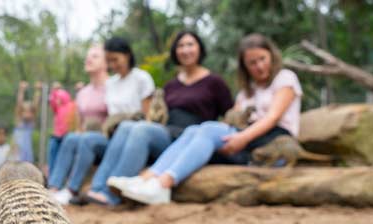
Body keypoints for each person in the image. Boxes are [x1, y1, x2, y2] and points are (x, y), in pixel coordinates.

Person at [116, 33, 303, 205]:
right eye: (252, 63)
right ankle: (148, 178)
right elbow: (230, 120)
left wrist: (242, 137)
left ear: (271, 56)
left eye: (262, 59)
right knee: (195, 130)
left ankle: (163, 184)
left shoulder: (285, 78)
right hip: (245, 139)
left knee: (206, 128)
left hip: (272, 139)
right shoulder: (247, 92)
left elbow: (273, 117)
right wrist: (222, 133)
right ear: (245, 66)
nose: (259, 66)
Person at [86, 31, 234, 206]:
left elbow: (230, 115)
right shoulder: (171, 85)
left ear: (200, 48)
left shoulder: (214, 82)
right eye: (181, 45)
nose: (185, 50)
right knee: (126, 126)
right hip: (168, 135)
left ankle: (112, 194)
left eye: (190, 44)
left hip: (193, 138)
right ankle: (98, 188)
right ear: (175, 51)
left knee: (141, 129)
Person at [47, 44, 109, 204]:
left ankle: (71, 189)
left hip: (107, 140)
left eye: (95, 56)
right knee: (70, 137)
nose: (88, 59)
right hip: (85, 139)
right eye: (87, 56)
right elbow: (79, 126)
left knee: (85, 139)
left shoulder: (113, 87)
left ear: (106, 62)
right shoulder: (83, 93)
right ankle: (52, 189)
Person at [47, 85, 77, 173]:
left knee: (65, 158)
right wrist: (54, 91)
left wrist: (79, 90)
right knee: (53, 154)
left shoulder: (72, 105)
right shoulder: (57, 108)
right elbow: (52, 101)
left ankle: (65, 176)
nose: (57, 100)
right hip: (56, 136)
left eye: (59, 98)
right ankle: (51, 176)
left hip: (67, 136)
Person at [13, 81, 42, 163]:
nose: (27, 114)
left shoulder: (31, 122)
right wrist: (21, 90)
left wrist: (38, 91)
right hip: (18, 151)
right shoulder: (19, 120)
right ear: (21, 112)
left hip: (28, 151)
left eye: (29, 111)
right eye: (24, 111)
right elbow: (19, 103)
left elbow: (35, 105)